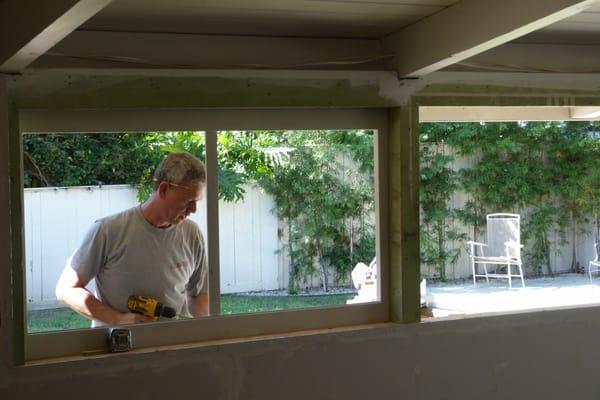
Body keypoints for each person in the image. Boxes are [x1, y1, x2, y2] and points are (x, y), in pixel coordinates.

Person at [56, 152, 209, 327]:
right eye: (188, 201)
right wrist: (118, 320)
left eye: (197, 201)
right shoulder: (109, 231)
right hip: (120, 346)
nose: (193, 209)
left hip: (172, 346)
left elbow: (198, 295)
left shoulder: (192, 233)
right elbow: (66, 288)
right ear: (164, 189)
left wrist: (208, 329)